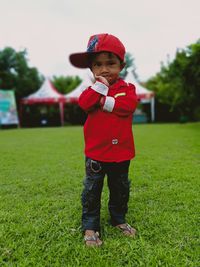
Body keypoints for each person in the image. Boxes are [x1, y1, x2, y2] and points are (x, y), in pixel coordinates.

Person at [69, 33, 138, 247]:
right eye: (97, 65)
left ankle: (118, 219)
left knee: (120, 189)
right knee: (92, 190)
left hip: (121, 153)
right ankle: (91, 226)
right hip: (96, 154)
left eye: (111, 63)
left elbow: (127, 106)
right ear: (91, 69)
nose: (104, 69)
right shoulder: (90, 91)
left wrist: (104, 101)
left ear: (121, 65)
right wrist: (99, 89)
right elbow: (84, 103)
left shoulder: (127, 89)